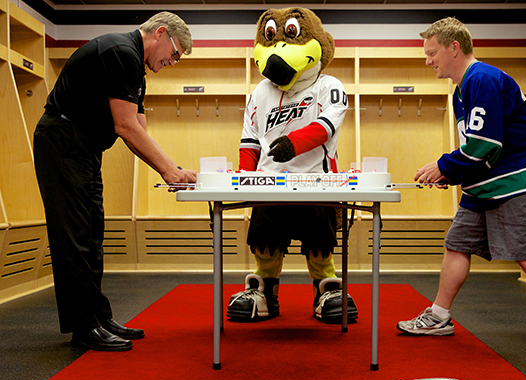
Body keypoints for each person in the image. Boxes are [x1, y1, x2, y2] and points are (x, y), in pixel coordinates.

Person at [396, 17, 526, 359]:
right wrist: (450, 174)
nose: (428, 60)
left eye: (432, 52)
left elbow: (484, 143)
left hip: (520, 180)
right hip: (487, 183)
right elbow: (476, 149)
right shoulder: (461, 91)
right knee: (457, 244)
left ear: (455, 48)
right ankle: (439, 316)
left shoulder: (483, 78)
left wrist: (445, 166)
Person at [33, 12, 197, 352]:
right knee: (74, 237)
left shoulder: (135, 67)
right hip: (63, 141)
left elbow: (138, 128)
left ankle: (98, 316)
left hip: (86, 148)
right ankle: (84, 327)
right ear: (161, 33)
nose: (172, 61)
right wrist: (169, 171)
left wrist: (172, 167)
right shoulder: (120, 51)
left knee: (93, 233)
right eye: (175, 53)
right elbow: (125, 126)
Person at [226, 7, 358, 324]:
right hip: (268, 185)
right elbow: (250, 138)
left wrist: (293, 144)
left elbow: (328, 125)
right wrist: (245, 177)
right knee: (264, 240)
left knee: (320, 242)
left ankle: (326, 287)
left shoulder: (329, 86)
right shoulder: (260, 91)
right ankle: (264, 290)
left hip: (317, 183)